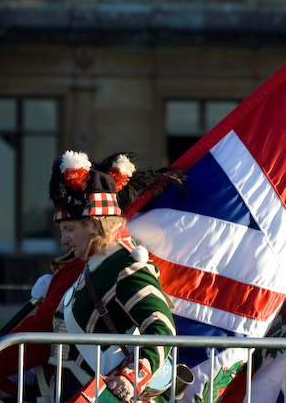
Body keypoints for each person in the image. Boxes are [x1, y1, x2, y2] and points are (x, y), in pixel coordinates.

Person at [47, 150, 184, 402]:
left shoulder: (128, 265)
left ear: (95, 225)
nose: (63, 239)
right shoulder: (97, 263)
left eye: (69, 229)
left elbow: (161, 329)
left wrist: (131, 376)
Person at [0, 249, 84, 403]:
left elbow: (43, 328)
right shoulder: (86, 260)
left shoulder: (83, 265)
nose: (64, 239)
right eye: (62, 230)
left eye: (70, 229)